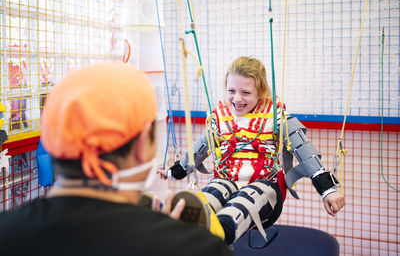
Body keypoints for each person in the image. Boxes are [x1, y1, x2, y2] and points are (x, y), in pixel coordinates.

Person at [0, 62, 232, 256]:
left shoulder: (6, 234)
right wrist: (171, 236)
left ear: (51, 140)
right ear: (143, 144)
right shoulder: (197, 248)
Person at [159, 56, 346, 245]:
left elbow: (305, 152)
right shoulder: (219, 119)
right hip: (226, 181)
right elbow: (198, 152)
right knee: (210, 195)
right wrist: (172, 172)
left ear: (261, 92)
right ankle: (187, 229)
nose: (237, 98)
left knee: (248, 198)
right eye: (231, 91)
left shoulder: (276, 117)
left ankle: (219, 233)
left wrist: (328, 190)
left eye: (246, 92)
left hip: (266, 189)